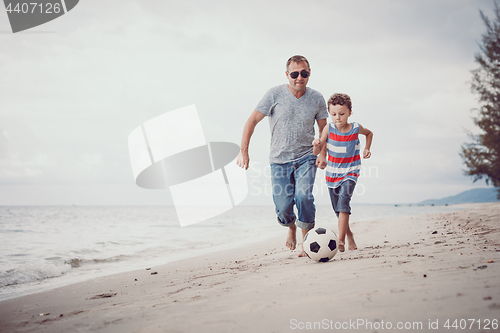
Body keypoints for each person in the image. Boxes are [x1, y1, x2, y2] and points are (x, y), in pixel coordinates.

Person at [236, 55, 329, 257]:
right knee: (284, 206)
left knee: (303, 196)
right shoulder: (274, 94)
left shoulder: (317, 98)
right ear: (287, 75)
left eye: (304, 73)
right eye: (294, 74)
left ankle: (307, 241)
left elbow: (324, 129)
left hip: (307, 156)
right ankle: (291, 227)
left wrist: (322, 153)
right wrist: (244, 151)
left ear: (309, 73)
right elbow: (251, 121)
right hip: (279, 160)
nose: (299, 77)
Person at [312, 93, 373, 252]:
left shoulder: (355, 128)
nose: (337, 117)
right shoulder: (329, 128)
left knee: (344, 201)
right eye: (333, 114)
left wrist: (367, 148)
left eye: (342, 114)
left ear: (349, 113)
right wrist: (316, 144)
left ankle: (340, 240)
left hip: (351, 172)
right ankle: (349, 234)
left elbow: (369, 133)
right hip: (332, 174)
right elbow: (317, 151)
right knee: (338, 209)